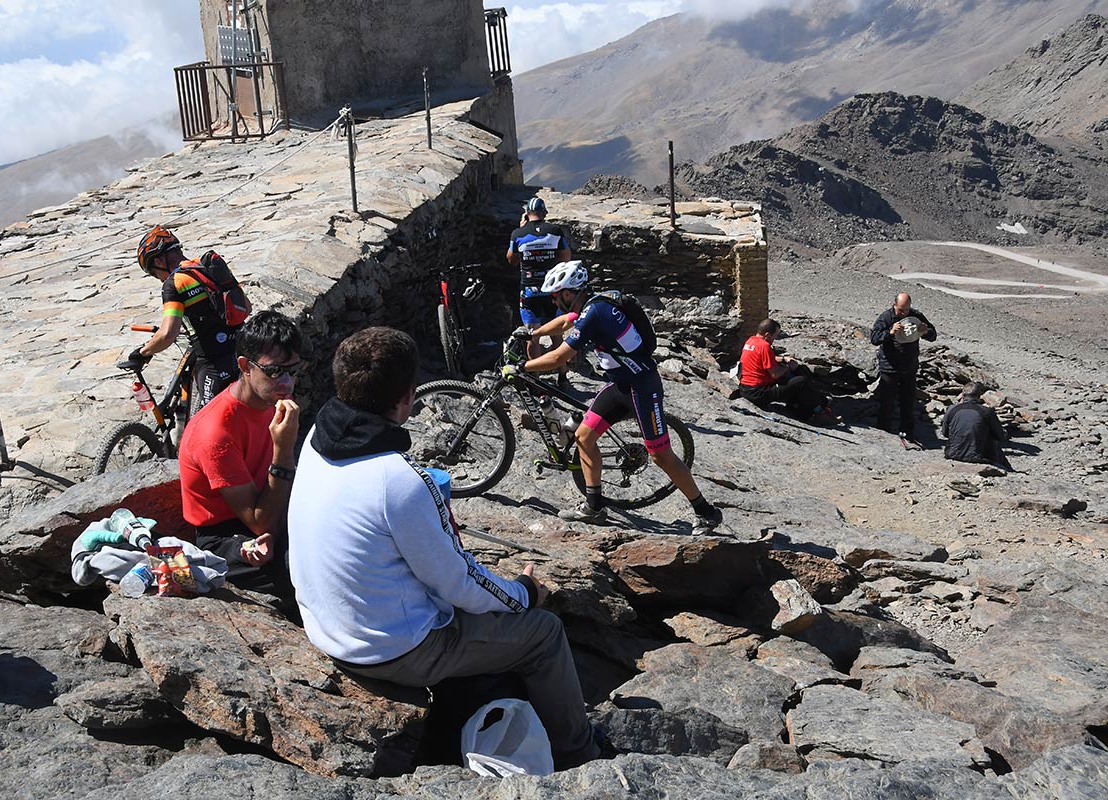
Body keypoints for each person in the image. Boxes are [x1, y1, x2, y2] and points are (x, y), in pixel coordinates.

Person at [286, 327, 599, 770]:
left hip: (325, 624)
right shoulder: (398, 480)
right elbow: (459, 583)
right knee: (543, 633)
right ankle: (580, 754)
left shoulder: (321, 432)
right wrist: (526, 591)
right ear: (408, 396)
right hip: (388, 650)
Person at [511, 262, 725, 535]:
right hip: (622, 385)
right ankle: (594, 506)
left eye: (556, 295)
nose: (554, 300)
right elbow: (566, 322)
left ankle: (705, 512)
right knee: (584, 437)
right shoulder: (593, 304)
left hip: (642, 386)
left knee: (660, 455)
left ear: (568, 293)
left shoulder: (595, 313)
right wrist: (533, 332)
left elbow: (560, 357)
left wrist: (522, 368)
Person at [178, 310, 301, 613]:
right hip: (226, 535)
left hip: (265, 503)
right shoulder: (216, 432)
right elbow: (259, 522)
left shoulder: (271, 402)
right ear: (245, 366)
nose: (286, 381)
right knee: (304, 572)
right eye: (274, 371)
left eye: (294, 369)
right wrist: (284, 451)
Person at [131, 225, 252, 414]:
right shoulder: (209, 266)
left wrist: (143, 352)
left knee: (207, 421)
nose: (159, 279)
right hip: (244, 349)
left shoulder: (175, 283)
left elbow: (167, 334)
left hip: (214, 362)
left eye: (154, 273)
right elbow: (247, 306)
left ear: (160, 261)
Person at [506, 197, 572, 363]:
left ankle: (535, 377)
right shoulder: (555, 231)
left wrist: (522, 229)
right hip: (553, 291)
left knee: (532, 336)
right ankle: (563, 376)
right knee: (556, 334)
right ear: (544, 213)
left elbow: (511, 260)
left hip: (529, 291)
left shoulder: (518, 234)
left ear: (527, 215)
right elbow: (566, 259)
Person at [739, 318, 837, 425]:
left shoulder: (751, 341)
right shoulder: (765, 346)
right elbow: (775, 374)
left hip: (745, 387)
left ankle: (815, 404)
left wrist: (783, 359)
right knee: (800, 381)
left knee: (791, 383)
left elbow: (764, 358)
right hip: (758, 393)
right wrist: (788, 367)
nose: (774, 339)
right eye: (775, 336)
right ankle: (818, 412)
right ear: (767, 335)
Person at [870, 292, 937, 444]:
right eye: (901, 310)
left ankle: (908, 432)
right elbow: (874, 338)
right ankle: (883, 431)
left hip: (909, 366)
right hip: (890, 367)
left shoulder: (916, 315)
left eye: (906, 310)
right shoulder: (886, 317)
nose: (903, 313)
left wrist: (925, 331)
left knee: (908, 402)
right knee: (887, 402)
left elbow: (933, 335)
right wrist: (890, 332)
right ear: (895, 305)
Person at [942, 383, 1010, 468]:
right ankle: (1009, 470)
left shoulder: (951, 409)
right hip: (979, 457)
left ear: (962, 395)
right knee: (993, 439)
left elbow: (945, 433)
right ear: (979, 396)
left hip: (953, 454)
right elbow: (1000, 436)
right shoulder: (987, 412)